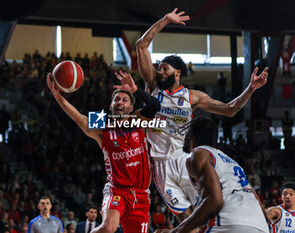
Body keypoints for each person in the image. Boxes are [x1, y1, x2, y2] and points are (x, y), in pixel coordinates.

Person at [135, 7, 269, 227]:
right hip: (160, 164)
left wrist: (251, 89)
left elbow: (230, 109)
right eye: (158, 68)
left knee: (204, 212)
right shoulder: (152, 85)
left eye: (164, 68)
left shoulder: (193, 97)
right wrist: (165, 20)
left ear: (178, 72)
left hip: (184, 158)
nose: (160, 71)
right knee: (185, 219)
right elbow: (141, 44)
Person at [47, 70, 161, 233]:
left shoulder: (137, 120)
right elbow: (79, 117)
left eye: (124, 99)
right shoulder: (103, 125)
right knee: (108, 227)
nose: (120, 102)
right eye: (116, 99)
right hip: (117, 190)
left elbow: (155, 106)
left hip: (141, 194)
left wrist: (135, 90)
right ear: (111, 106)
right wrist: (58, 96)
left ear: (130, 108)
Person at [164, 117, 269, 233]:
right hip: (260, 225)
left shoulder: (197, 155)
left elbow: (214, 200)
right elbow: (255, 198)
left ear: (191, 135)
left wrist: (177, 231)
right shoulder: (231, 162)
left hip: (228, 223)